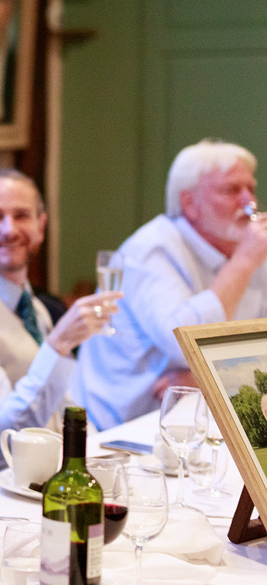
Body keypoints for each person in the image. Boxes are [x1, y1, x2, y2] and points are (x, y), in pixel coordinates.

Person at [74, 139, 267, 429]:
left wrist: (209, 377)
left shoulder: (250, 248)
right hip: (120, 430)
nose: (248, 202)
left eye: (250, 188)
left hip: (199, 417)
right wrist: (243, 263)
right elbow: (185, 344)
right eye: (231, 190)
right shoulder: (151, 250)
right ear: (189, 204)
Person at [0, 169, 119, 471]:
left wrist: (106, 457)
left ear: (41, 226)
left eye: (22, 216)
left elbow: (61, 405)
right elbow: (7, 433)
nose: (9, 230)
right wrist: (59, 345)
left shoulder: (35, 306)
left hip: (56, 472)